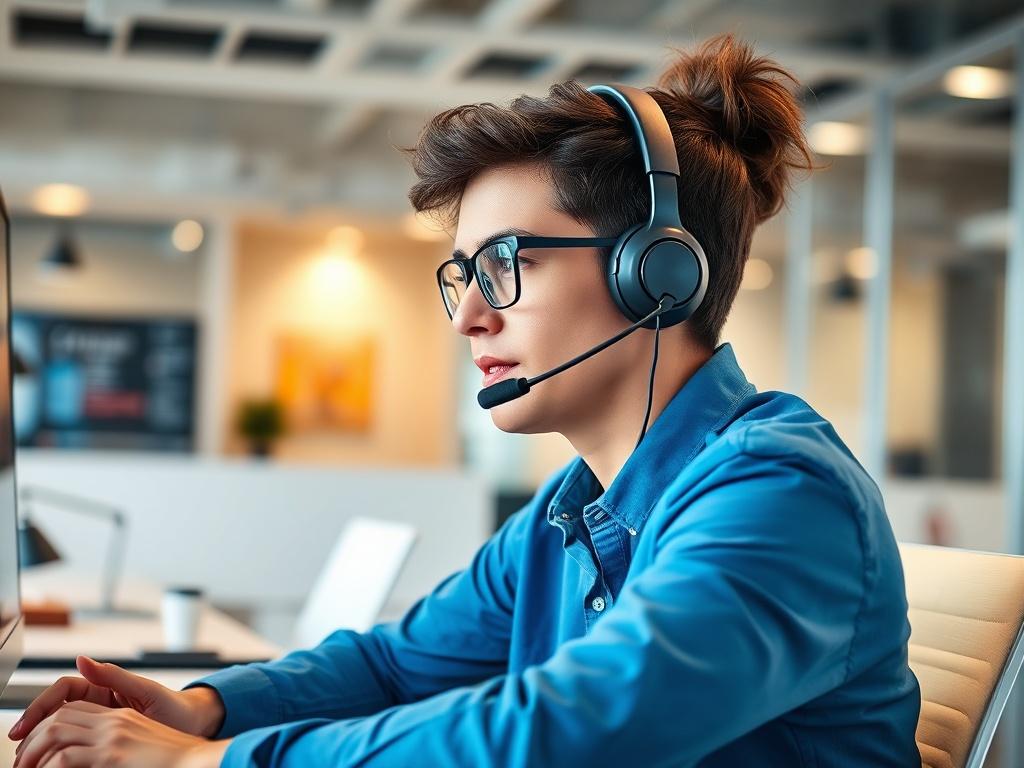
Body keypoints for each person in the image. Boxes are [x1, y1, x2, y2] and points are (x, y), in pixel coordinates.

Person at [8, 34, 922, 767]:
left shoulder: (782, 492)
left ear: (658, 275)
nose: (469, 316)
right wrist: (206, 705)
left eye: (506, 265)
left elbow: (572, 732)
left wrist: (198, 763)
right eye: (462, 274)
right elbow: (396, 663)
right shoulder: (569, 517)